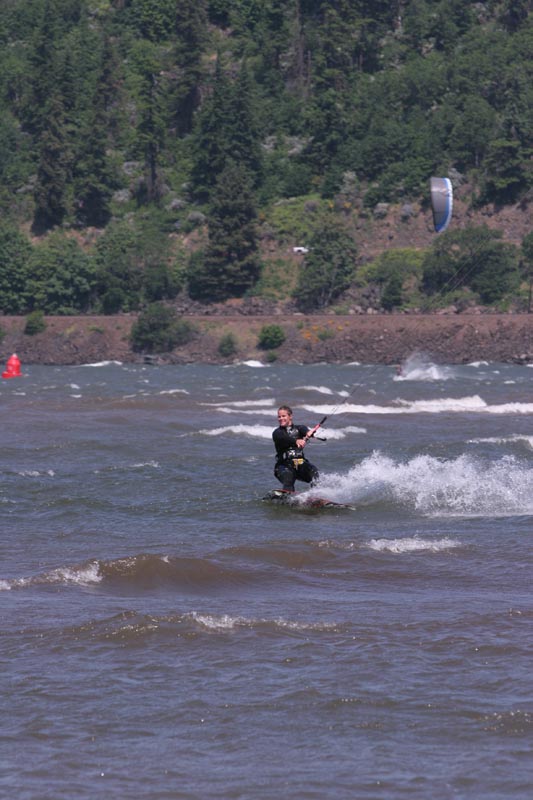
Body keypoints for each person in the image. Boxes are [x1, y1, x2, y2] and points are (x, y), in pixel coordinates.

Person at [272, 405, 319, 492]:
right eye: (279, 416)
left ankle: (315, 495)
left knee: (314, 472)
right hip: (283, 465)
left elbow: (304, 430)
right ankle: (288, 497)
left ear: (290, 416)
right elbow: (283, 438)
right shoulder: (277, 433)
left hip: (299, 463)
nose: (281, 418)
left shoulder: (299, 428)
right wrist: (296, 441)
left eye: (283, 416)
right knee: (289, 476)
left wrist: (309, 433)